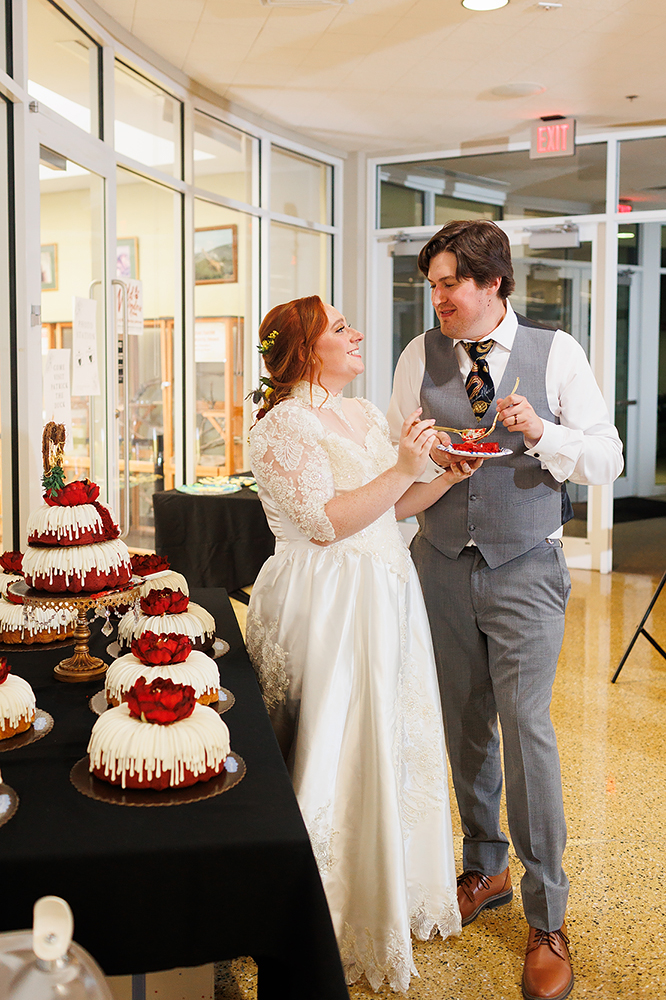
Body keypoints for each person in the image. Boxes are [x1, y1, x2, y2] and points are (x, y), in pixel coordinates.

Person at [388, 220, 623, 1000]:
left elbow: (606, 458)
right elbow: (398, 454)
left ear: (494, 283)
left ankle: (547, 913)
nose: (439, 298)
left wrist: (543, 430)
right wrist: (425, 452)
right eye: (433, 285)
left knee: (527, 731)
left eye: (451, 282)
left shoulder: (556, 352)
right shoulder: (418, 355)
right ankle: (483, 867)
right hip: (441, 562)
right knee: (462, 720)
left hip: (526, 566)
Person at [246, 295, 478, 992]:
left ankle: (392, 890)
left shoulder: (363, 413)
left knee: (390, 739)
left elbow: (389, 506)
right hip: (329, 604)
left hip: (384, 592)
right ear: (303, 347)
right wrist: (406, 466)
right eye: (340, 328)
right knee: (336, 744)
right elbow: (324, 521)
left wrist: (437, 476)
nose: (357, 335)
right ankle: (327, 910)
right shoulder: (281, 427)